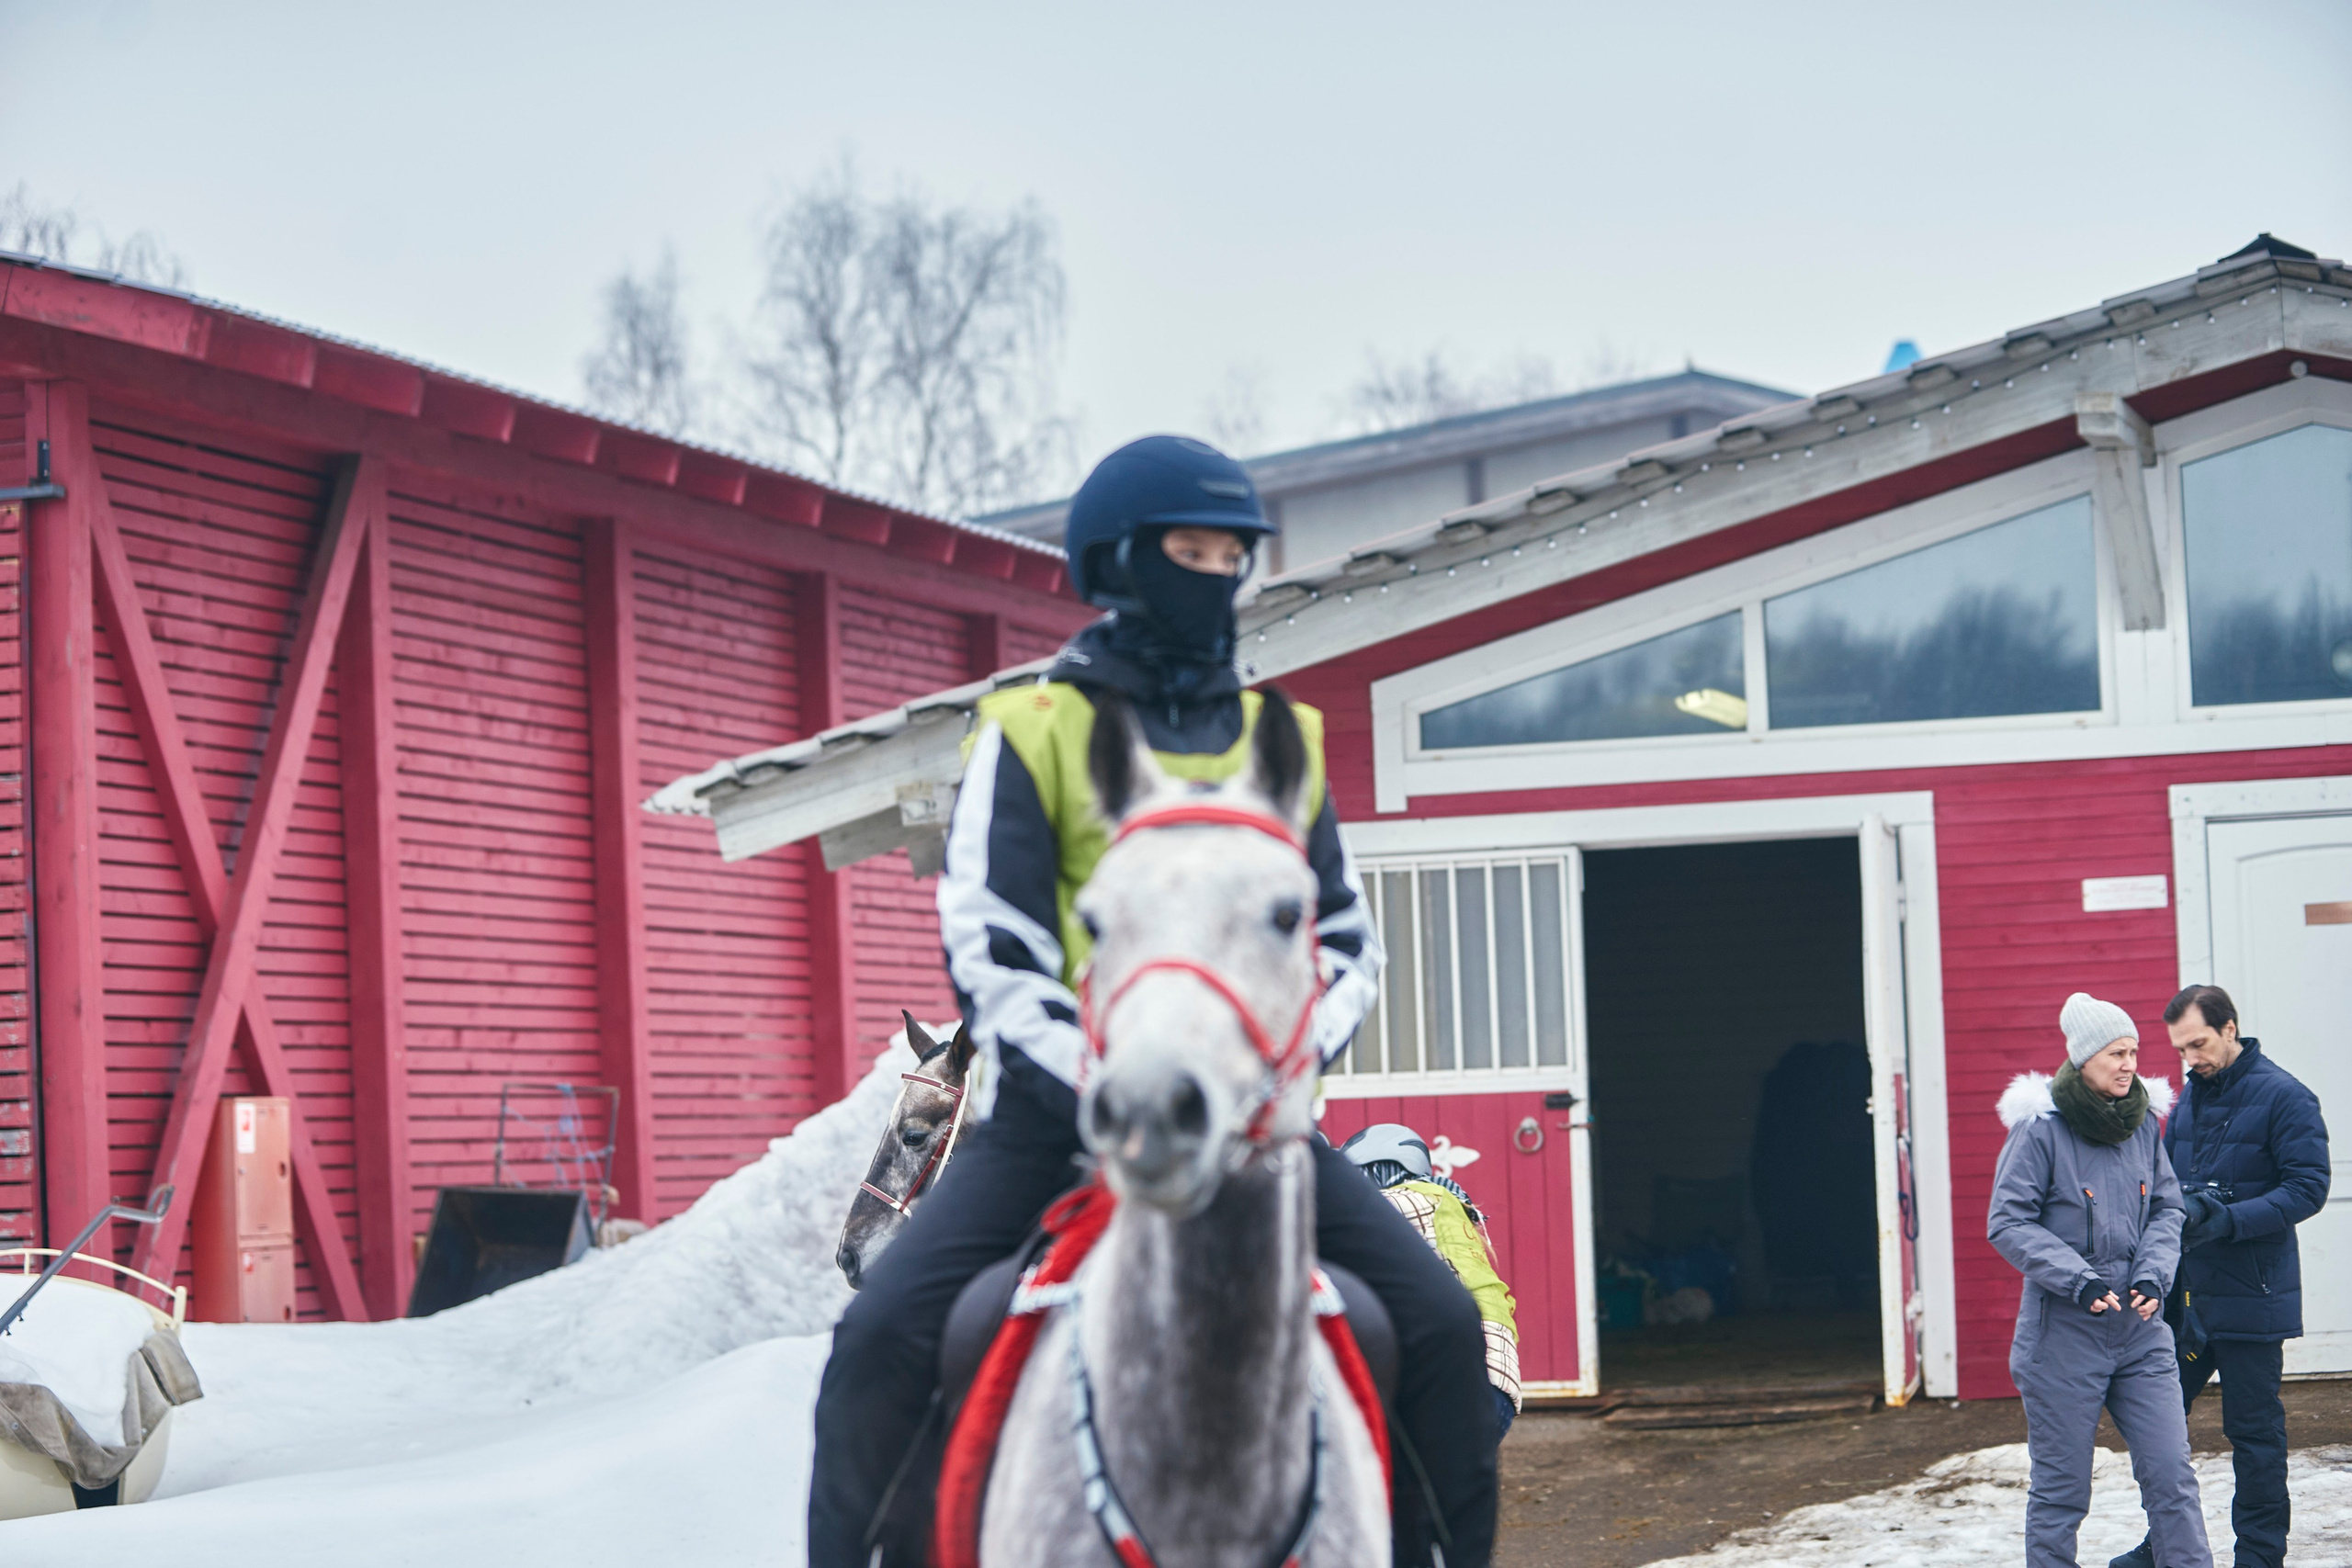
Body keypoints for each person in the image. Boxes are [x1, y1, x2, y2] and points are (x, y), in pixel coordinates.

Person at [806, 435, 1499, 1568]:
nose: (1215, 575)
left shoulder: (1281, 740)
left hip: (1256, 1130)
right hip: (1056, 1123)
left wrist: (1270, 1079)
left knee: (1442, 1327)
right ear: (1123, 564)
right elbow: (992, 947)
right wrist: (1109, 1081)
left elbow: (1343, 938)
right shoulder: (1032, 731)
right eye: (1191, 551)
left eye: (1234, 555)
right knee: (879, 1342)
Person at [2110, 985, 2330, 1568]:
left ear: (2230, 1028)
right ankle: (2166, 1545)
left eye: (2199, 1044)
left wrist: (2225, 1219)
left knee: (2255, 1437)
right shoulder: (2188, 1099)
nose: (2190, 1058)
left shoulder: (2287, 1097)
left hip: (2255, 1295)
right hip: (2187, 1297)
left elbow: (2308, 1189)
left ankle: (2260, 1557)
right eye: (2181, 1049)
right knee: (2159, 1429)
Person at [1988, 992, 2208, 1568]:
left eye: (2134, 1051)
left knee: (2172, 1477)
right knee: (2063, 1493)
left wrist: (2156, 1275)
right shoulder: (2040, 1131)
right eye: (2116, 1053)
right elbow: (2007, 1222)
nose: (2129, 1064)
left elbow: (2167, 1208)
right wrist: (2078, 1279)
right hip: (2063, 1336)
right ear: (2084, 1059)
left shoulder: (2141, 1126)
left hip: (2140, 1332)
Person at [1340, 1122, 1523, 1437]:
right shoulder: (1446, 1206)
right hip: (1492, 1382)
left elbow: (1346, 1213)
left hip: (1465, 1378)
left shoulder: (1420, 1200)